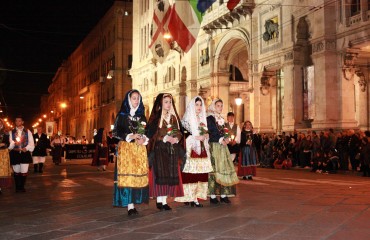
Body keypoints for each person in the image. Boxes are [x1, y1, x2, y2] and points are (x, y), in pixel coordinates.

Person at [112, 90, 149, 216]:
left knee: (137, 177)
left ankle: (135, 200)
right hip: (127, 150)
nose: (136, 101)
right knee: (128, 177)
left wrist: (144, 139)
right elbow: (115, 133)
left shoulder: (142, 116)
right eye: (134, 98)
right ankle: (130, 205)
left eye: (138, 98)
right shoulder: (122, 115)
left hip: (139, 150)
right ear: (129, 100)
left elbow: (146, 132)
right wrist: (130, 136)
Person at [147, 93, 184, 211]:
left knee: (168, 175)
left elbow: (178, 131)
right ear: (161, 103)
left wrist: (176, 138)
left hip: (171, 150)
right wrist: (163, 138)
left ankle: (164, 201)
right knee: (160, 175)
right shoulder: (156, 118)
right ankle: (160, 200)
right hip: (159, 150)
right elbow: (152, 134)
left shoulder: (173, 117)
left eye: (170, 102)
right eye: (166, 102)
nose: (168, 104)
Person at [174, 96, 213, 207]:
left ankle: (196, 196)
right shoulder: (186, 120)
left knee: (200, 173)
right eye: (197, 104)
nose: (199, 107)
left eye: (200, 105)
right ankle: (189, 196)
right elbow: (184, 135)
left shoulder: (202, 119)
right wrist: (196, 137)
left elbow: (205, 132)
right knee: (190, 173)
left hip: (202, 148)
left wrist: (205, 135)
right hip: (191, 149)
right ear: (192, 106)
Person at [206, 99, 239, 204]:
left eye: (221, 106)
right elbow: (211, 131)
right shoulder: (210, 118)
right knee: (215, 169)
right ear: (213, 106)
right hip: (215, 146)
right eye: (218, 105)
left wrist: (227, 138)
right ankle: (213, 195)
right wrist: (221, 139)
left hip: (223, 147)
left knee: (225, 169)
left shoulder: (221, 118)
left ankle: (224, 195)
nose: (220, 107)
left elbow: (225, 131)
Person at [8, 116, 34, 192]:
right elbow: (10, 144)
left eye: (19, 121)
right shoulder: (11, 132)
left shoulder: (27, 131)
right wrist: (13, 143)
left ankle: (22, 186)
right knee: (16, 171)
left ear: (22, 122)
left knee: (24, 170)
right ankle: (17, 187)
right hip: (15, 153)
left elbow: (31, 142)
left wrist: (26, 148)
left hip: (24, 153)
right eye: (16, 121)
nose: (17, 122)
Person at [0, 119, 11, 194]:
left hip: (3, 153)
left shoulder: (6, 132)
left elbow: (8, 143)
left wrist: (4, 144)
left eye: (0, 123)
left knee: (2, 171)